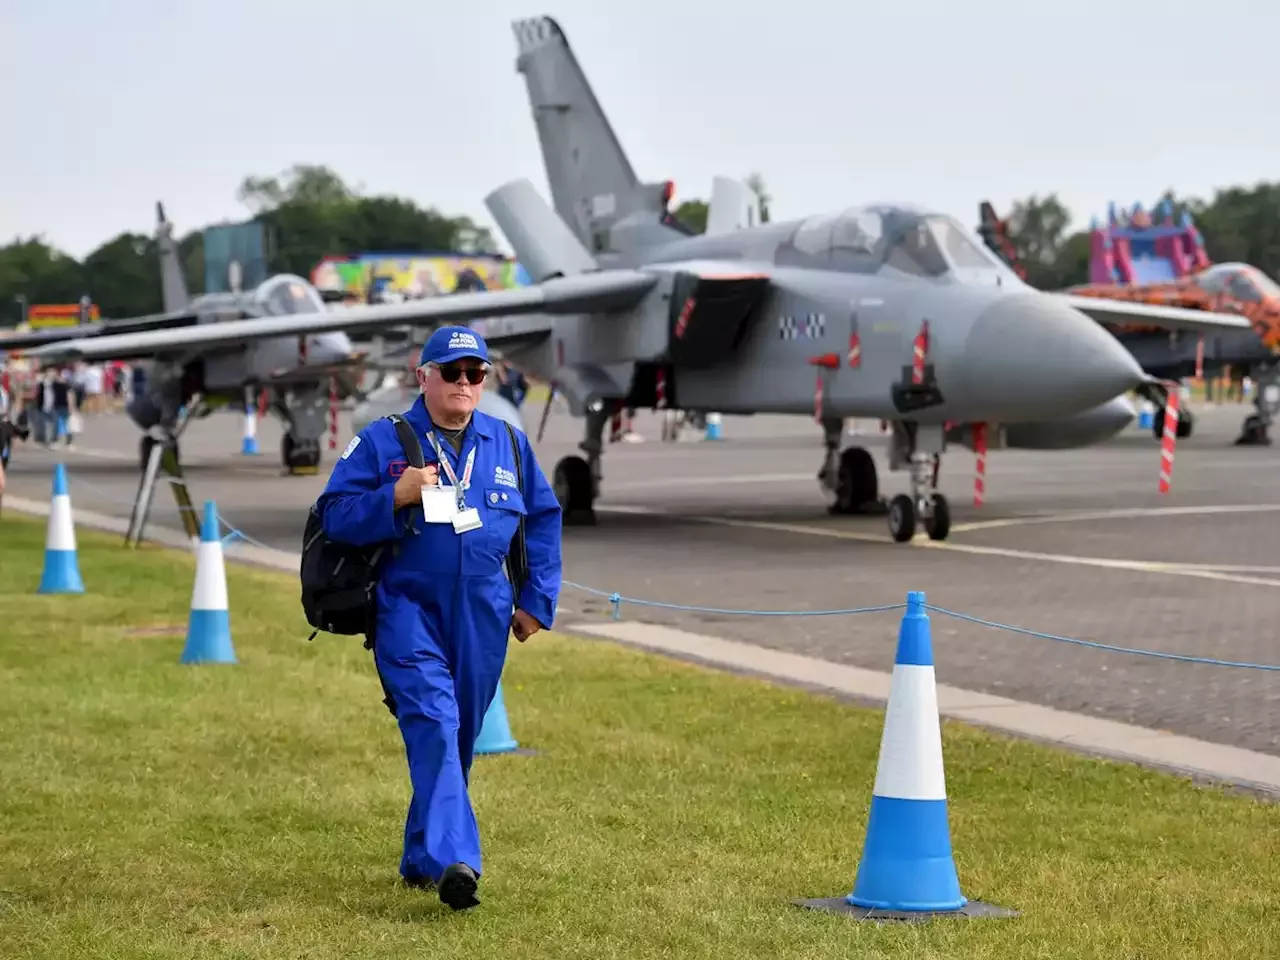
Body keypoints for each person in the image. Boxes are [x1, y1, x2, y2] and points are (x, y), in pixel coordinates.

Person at [315, 325, 563, 911]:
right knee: (432, 717)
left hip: (484, 610)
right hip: (408, 606)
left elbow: (544, 520)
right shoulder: (382, 440)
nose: (463, 383)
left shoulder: (508, 441)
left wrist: (536, 600)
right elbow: (334, 516)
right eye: (450, 372)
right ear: (422, 376)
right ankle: (458, 861)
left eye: (474, 373)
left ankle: (421, 854)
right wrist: (394, 496)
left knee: (458, 735)